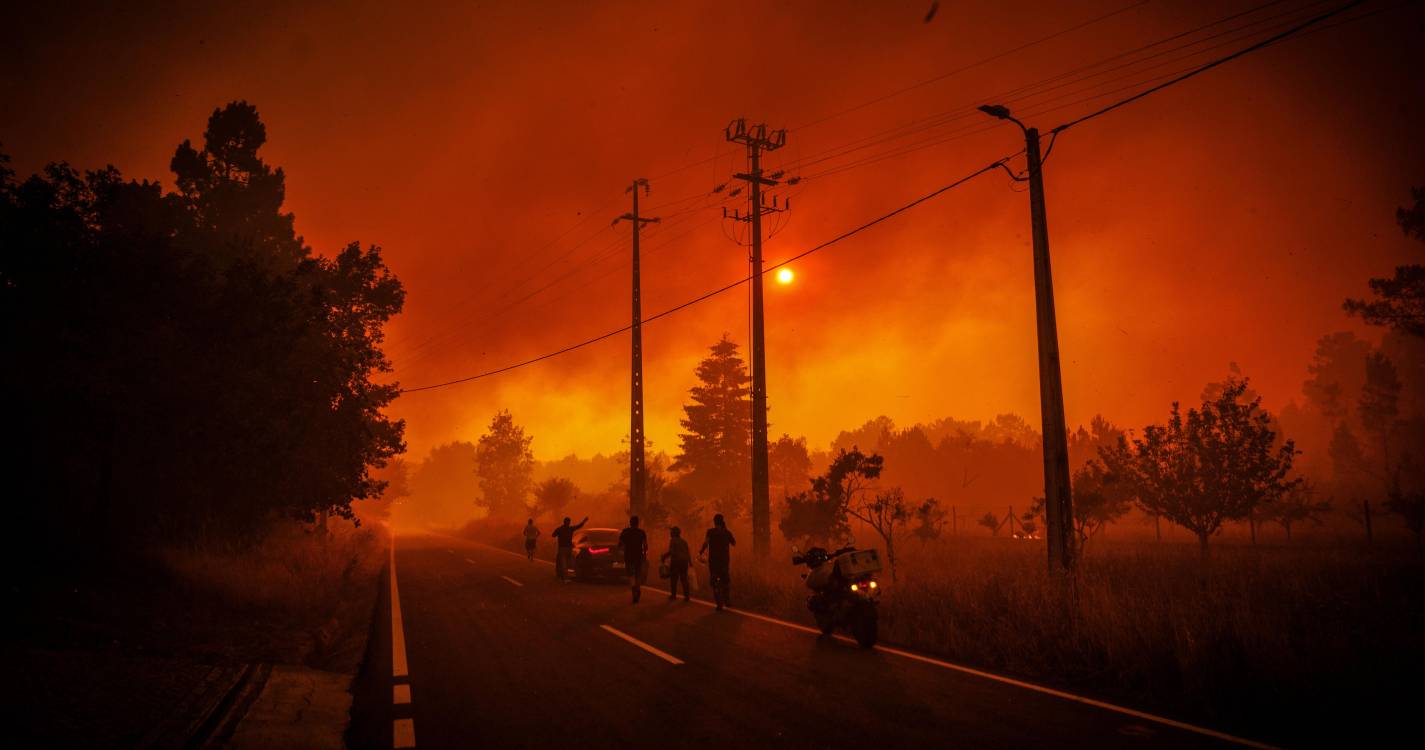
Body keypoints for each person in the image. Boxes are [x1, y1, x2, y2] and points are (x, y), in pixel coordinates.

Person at [699, 513, 736, 610]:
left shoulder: (710, 532)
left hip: (713, 561)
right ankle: (727, 599)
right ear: (722, 521)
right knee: (725, 580)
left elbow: (705, 543)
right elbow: (734, 543)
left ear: (714, 522)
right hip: (724, 560)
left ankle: (718, 603)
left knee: (714, 580)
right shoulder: (727, 532)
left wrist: (701, 551)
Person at [618, 515, 649, 603]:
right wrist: (645, 555)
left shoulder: (625, 531)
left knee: (630, 574)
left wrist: (621, 549)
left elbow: (620, 544)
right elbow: (646, 545)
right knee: (638, 573)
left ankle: (634, 589)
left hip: (628, 556)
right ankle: (638, 588)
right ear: (638, 523)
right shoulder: (642, 532)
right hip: (639, 556)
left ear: (630, 522)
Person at [551, 516, 587, 581]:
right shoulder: (570, 529)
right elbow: (578, 526)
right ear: (569, 523)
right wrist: (584, 521)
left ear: (564, 522)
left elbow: (553, 535)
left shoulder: (559, 529)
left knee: (563, 563)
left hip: (562, 548)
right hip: (569, 548)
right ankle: (566, 576)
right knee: (567, 563)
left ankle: (565, 577)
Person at [660, 526, 692, 601]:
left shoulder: (673, 540)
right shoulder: (684, 541)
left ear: (674, 533)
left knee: (674, 578)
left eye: (671, 532)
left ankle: (673, 595)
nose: (670, 533)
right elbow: (687, 552)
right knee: (684, 578)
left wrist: (664, 556)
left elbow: (671, 551)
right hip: (684, 562)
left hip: (676, 561)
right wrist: (690, 562)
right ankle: (687, 596)